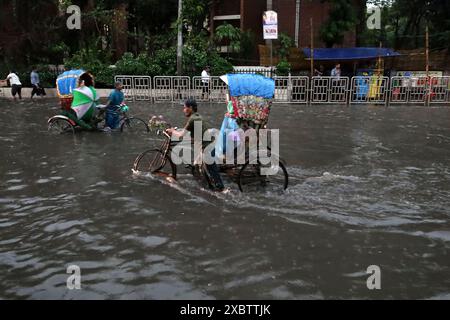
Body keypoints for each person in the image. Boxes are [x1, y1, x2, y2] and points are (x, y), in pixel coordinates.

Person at [166, 99, 225, 192]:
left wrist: (173, 131)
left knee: (212, 169)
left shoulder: (193, 119)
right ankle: (206, 182)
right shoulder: (196, 116)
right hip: (208, 144)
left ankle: (221, 189)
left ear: (190, 108)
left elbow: (181, 135)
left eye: (185, 107)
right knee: (199, 166)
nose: (183, 110)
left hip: (207, 147)